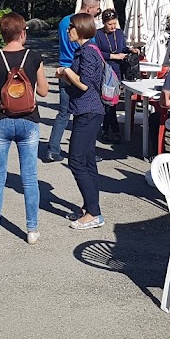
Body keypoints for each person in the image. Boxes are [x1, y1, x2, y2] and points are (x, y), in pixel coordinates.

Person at [0, 12, 49, 247]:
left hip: (0, 120)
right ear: (22, 33)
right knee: (29, 178)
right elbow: (44, 92)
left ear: (3, 34)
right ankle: (32, 230)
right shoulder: (34, 56)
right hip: (29, 120)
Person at [60, 13, 106, 230]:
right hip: (86, 110)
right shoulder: (83, 50)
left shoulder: (88, 52)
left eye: (71, 27)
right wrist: (67, 75)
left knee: (76, 160)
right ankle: (89, 207)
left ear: (80, 29)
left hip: (89, 111)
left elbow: (85, 84)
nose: (68, 31)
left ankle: (94, 213)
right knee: (88, 161)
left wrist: (67, 70)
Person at [47, 0, 101, 162]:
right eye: (97, 10)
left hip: (64, 67)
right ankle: (87, 152)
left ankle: (53, 149)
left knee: (63, 113)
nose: (97, 14)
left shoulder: (64, 21)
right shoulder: (84, 27)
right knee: (85, 111)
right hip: (75, 69)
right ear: (90, 8)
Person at [93, 9, 138, 143]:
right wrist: (113, 56)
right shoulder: (98, 34)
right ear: (104, 23)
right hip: (105, 70)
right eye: (110, 24)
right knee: (108, 101)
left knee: (113, 101)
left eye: (114, 23)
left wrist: (130, 50)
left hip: (118, 70)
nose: (112, 27)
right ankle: (113, 130)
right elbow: (97, 52)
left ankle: (107, 129)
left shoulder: (119, 33)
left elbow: (122, 47)